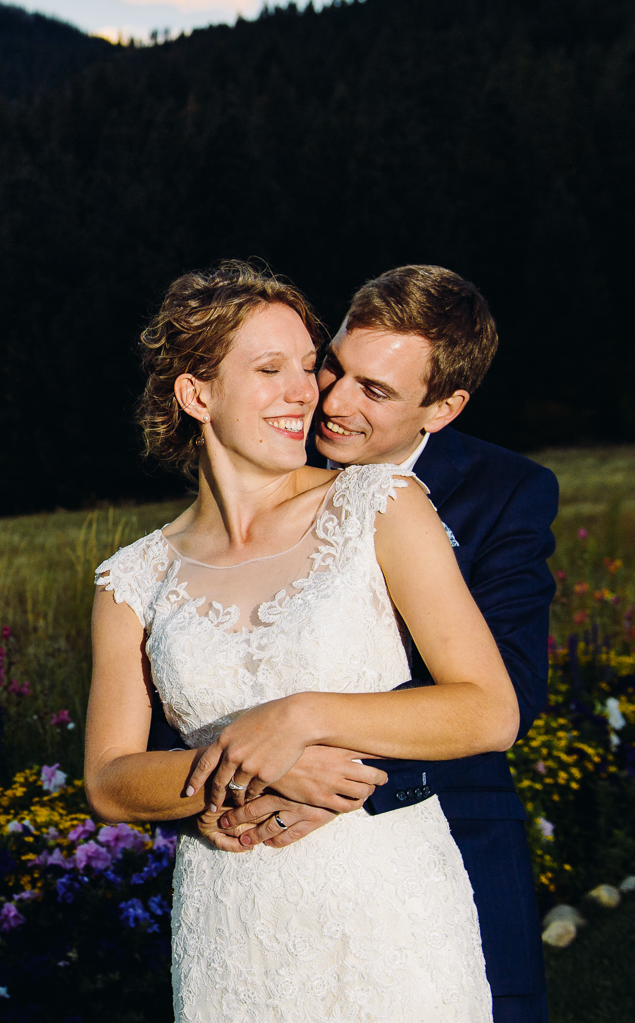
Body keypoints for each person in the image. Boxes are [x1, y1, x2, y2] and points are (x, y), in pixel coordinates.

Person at [84, 260, 519, 1022]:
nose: (306, 391)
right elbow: (110, 781)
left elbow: (487, 711)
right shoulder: (133, 580)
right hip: (235, 923)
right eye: (270, 368)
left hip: (390, 912)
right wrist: (240, 775)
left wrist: (299, 716)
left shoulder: (379, 505)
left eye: (308, 365)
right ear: (197, 394)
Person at [209, 264, 557, 1023]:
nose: (330, 403)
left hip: (447, 835)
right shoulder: (265, 464)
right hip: (262, 861)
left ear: (444, 407)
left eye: (375, 390)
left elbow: (514, 689)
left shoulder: (503, 494)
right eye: (334, 366)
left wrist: (328, 763)